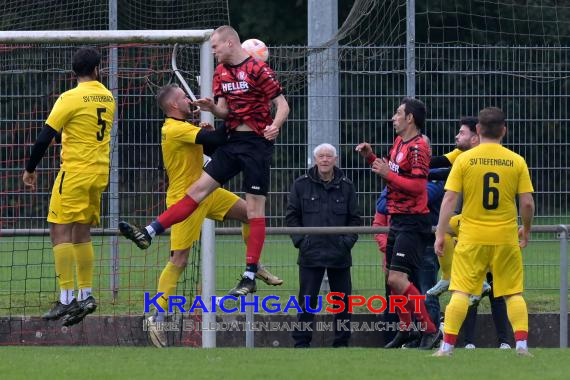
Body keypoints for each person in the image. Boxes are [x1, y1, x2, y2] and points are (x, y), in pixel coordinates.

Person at [118, 25, 290, 296]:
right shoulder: (219, 73)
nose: (212, 51)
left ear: (231, 44)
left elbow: (282, 104)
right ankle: (149, 232)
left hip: (257, 146)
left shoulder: (258, 69)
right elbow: (224, 111)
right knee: (197, 191)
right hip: (233, 142)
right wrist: (213, 108)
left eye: (215, 47)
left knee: (254, 212)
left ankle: (250, 274)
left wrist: (275, 125)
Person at [145, 84, 283, 348]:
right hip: (186, 199)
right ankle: (158, 317)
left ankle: (254, 265)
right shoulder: (173, 128)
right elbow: (219, 141)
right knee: (179, 260)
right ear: (174, 106)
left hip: (207, 192)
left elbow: (211, 150)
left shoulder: (186, 127)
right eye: (184, 98)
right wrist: (237, 113)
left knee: (250, 214)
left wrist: (211, 130)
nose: (189, 100)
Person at [22, 47, 115, 326]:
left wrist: (29, 169)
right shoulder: (108, 97)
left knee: (58, 229)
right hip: (99, 173)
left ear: (74, 72)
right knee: (81, 232)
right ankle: (86, 294)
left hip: (74, 173)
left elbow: (43, 138)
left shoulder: (69, 98)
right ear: (97, 69)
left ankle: (65, 300)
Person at [433, 107, 535, 357]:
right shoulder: (516, 160)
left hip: (472, 238)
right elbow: (528, 203)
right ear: (504, 131)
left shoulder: (465, 160)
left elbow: (448, 199)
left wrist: (439, 234)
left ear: (478, 130)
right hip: (505, 237)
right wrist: (527, 230)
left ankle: (446, 348)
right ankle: (521, 345)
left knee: (461, 292)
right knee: (513, 293)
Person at [356, 97, 438, 349]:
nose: (393, 117)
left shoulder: (418, 148)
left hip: (413, 222)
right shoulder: (399, 143)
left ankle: (430, 330)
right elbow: (391, 175)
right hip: (397, 219)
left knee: (398, 279)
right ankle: (406, 329)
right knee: (391, 279)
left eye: (398, 113)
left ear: (410, 118)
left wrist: (387, 174)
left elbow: (417, 186)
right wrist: (371, 158)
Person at [286, 143, 361, 348]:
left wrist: (346, 243)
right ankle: (301, 343)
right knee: (307, 301)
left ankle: (342, 343)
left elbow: (355, 219)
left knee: (343, 303)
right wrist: (302, 242)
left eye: (329, 156)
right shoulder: (301, 185)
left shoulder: (347, 186)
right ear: (315, 159)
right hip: (311, 253)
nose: (325, 159)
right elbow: (292, 217)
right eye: (321, 156)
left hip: (340, 254)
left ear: (335, 160)